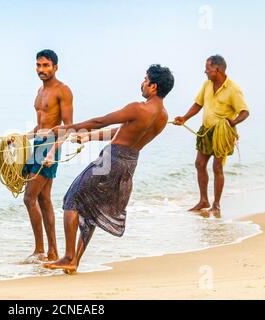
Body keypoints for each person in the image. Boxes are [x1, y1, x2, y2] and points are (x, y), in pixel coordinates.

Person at [42, 64, 174, 273]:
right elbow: (123, 132)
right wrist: (87, 136)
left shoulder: (138, 108)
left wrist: (68, 128)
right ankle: (74, 260)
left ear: (154, 86)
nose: (142, 83)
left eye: (145, 79)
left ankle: (68, 256)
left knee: (71, 199)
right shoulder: (163, 117)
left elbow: (100, 121)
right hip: (129, 165)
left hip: (111, 160)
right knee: (94, 208)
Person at [173, 55, 249, 217]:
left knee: (217, 168)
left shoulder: (233, 89)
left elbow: (245, 112)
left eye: (207, 69)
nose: (205, 72)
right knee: (199, 164)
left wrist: (233, 123)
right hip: (205, 130)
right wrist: (184, 118)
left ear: (218, 69)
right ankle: (203, 201)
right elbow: (198, 104)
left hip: (222, 135)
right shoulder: (207, 85)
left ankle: (216, 204)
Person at [16, 49, 73, 262]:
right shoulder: (40, 91)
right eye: (39, 65)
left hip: (50, 146)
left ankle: (39, 250)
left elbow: (68, 127)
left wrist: (51, 152)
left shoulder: (63, 91)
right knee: (43, 198)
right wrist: (23, 137)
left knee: (29, 198)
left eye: (46, 65)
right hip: (39, 143)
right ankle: (52, 252)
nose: (42, 69)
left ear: (55, 67)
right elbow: (41, 125)